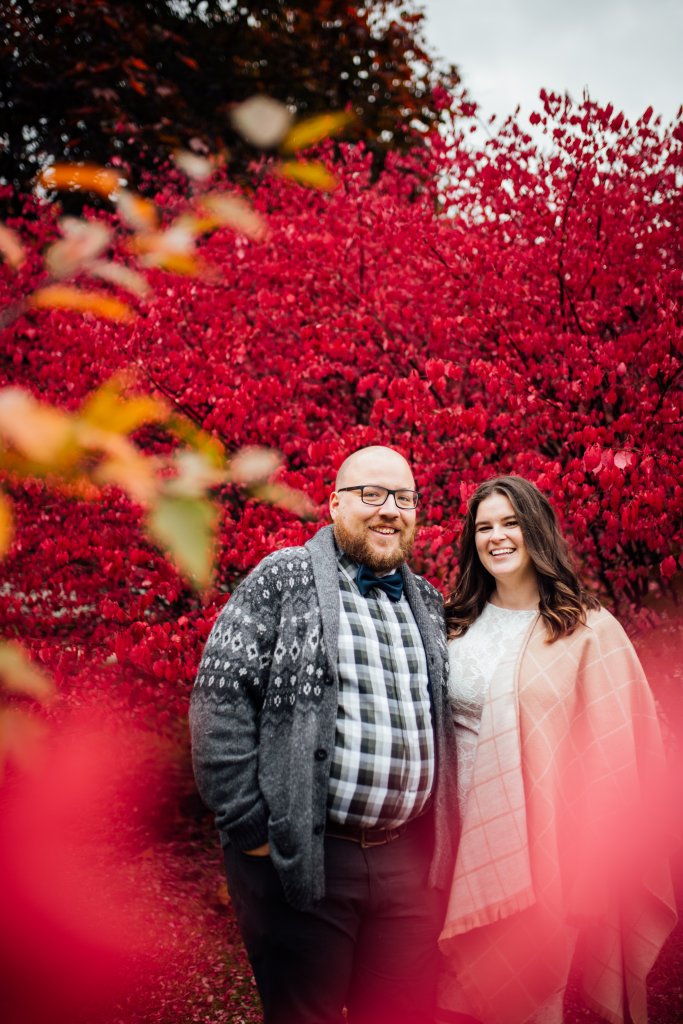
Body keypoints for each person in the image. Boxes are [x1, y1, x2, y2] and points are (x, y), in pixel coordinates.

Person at [190, 445, 459, 1024]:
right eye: (371, 495)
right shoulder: (283, 578)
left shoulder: (429, 602)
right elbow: (219, 700)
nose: (389, 509)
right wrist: (253, 831)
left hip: (407, 864)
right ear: (335, 504)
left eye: (404, 498)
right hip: (305, 856)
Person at [438, 475, 677, 1024]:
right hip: (447, 844)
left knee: (531, 998)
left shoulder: (588, 630)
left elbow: (619, 752)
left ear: (536, 531)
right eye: (484, 527)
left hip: (540, 849)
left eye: (510, 523)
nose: (497, 537)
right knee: (449, 996)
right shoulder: (453, 624)